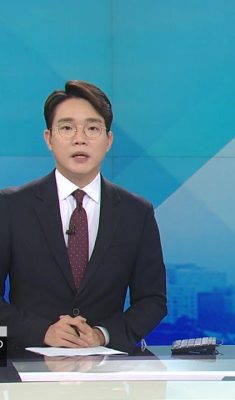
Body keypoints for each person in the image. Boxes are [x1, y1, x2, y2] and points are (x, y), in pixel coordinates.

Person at [0, 80, 167, 353]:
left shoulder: (137, 212)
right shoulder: (10, 206)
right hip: (27, 362)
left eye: (92, 128)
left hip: (106, 368)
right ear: (49, 139)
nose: (80, 139)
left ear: (108, 140)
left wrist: (102, 335)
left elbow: (152, 301)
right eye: (67, 128)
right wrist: (43, 331)